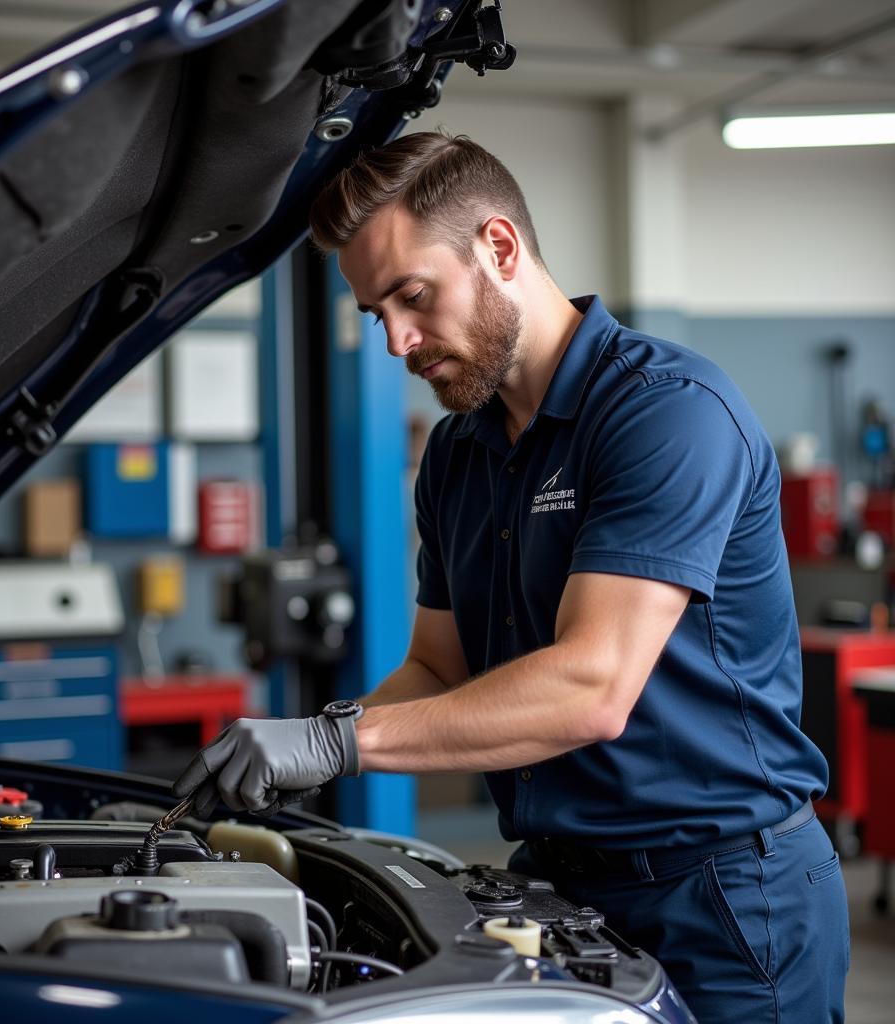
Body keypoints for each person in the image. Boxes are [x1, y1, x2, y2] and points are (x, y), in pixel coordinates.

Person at [173, 131, 849, 1022]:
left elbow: (592, 686)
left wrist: (340, 746)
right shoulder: (458, 454)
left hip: (724, 896)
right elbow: (437, 670)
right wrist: (313, 737)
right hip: (560, 885)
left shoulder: (668, 414)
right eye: (376, 313)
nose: (397, 343)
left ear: (498, 247)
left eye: (411, 297)